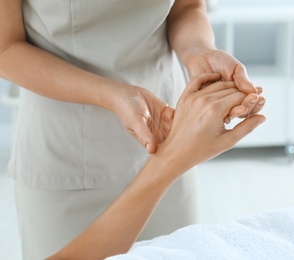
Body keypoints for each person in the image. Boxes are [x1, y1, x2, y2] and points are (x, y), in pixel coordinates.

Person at [0, 0, 265, 259]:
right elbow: (5, 47)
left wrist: (198, 51)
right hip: (66, 155)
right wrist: (113, 94)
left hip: (167, 134)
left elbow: (188, 6)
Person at [46, 72, 266, 260]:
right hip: (67, 147)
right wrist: (172, 158)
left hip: (162, 110)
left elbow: (181, 19)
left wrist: (197, 52)